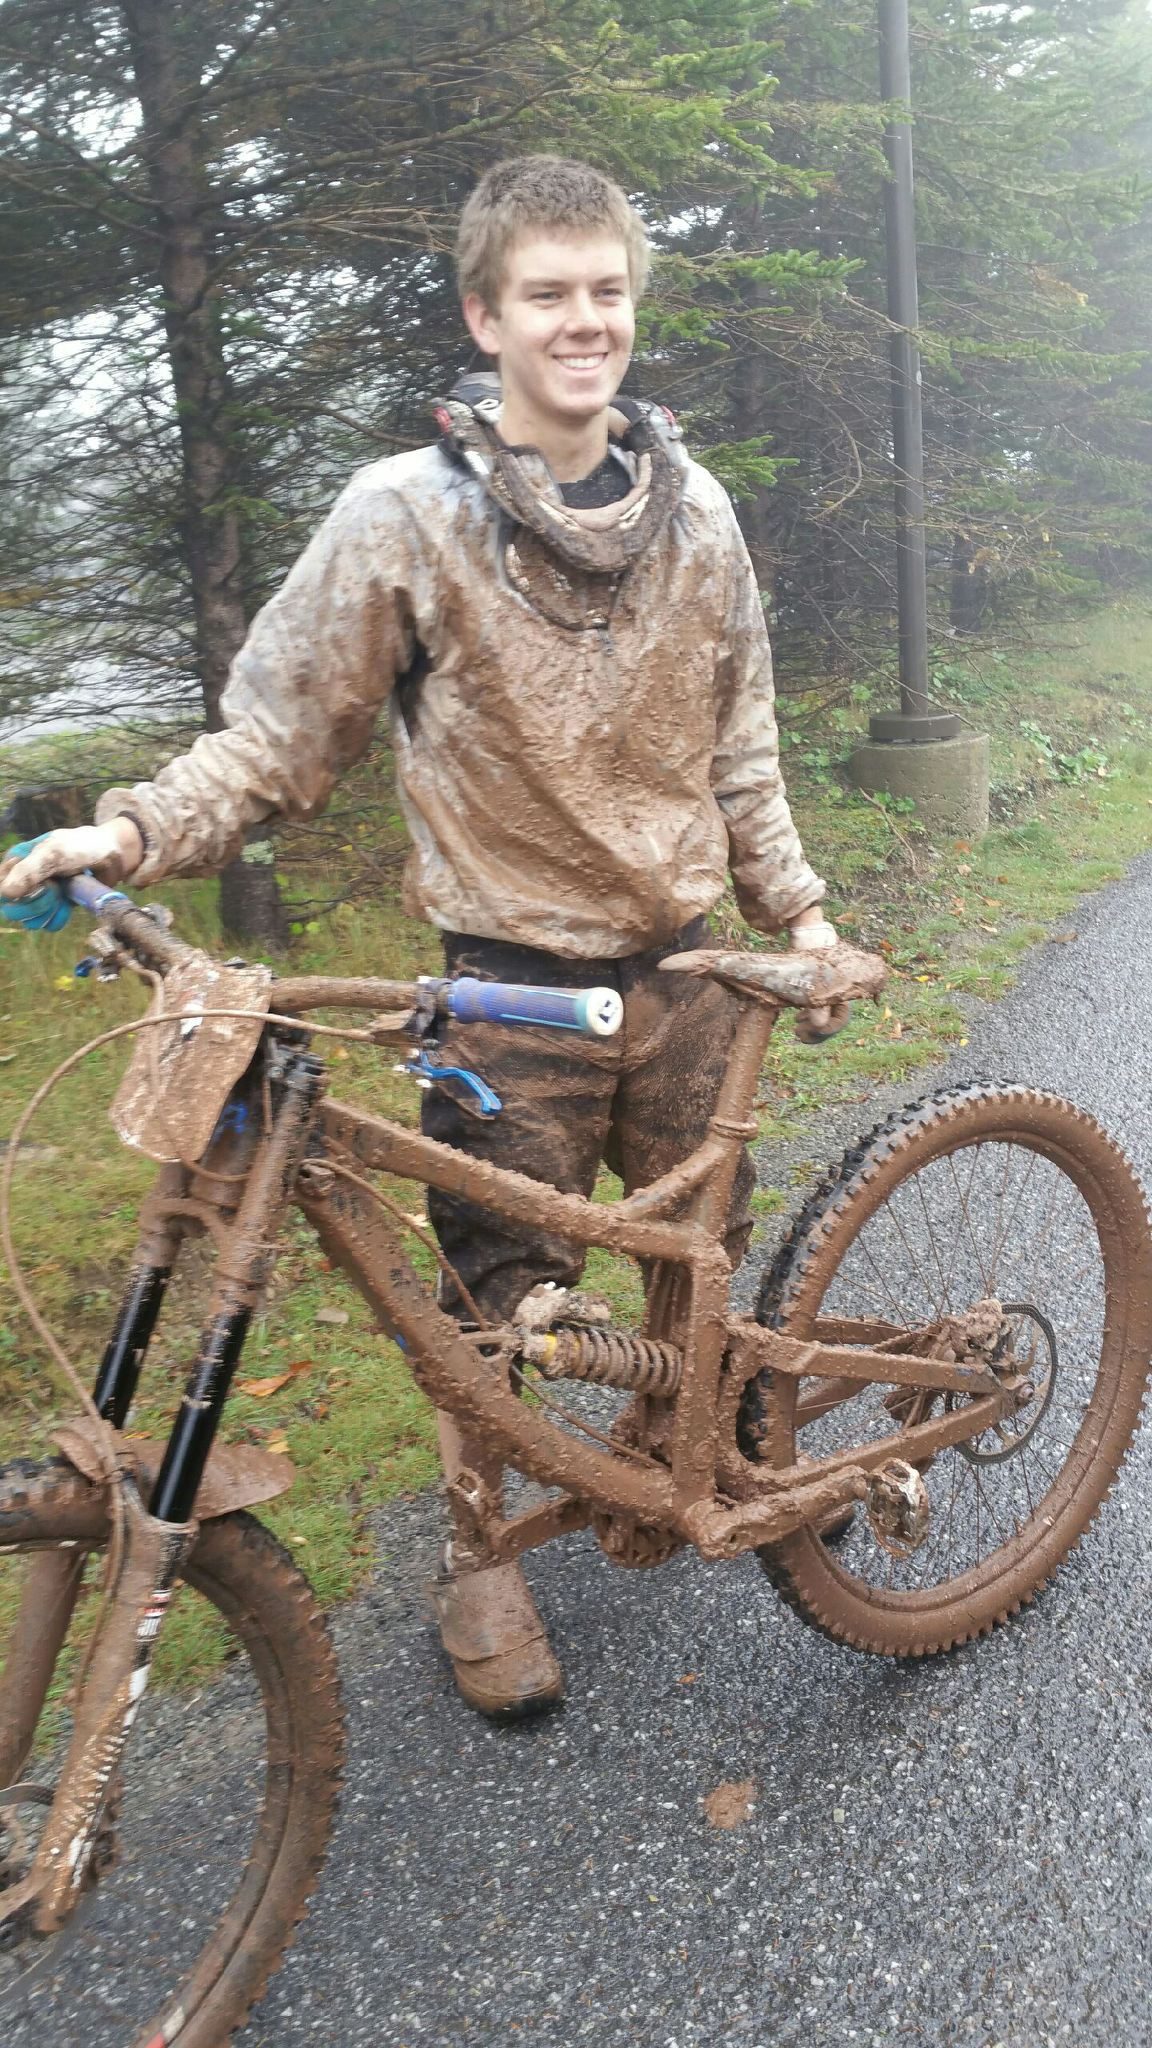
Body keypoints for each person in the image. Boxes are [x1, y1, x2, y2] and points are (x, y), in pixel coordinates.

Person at [0, 154, 846, 1720]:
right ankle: (481, 1561)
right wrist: (129, 836)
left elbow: (745, 742)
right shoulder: (408, 516)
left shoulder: (699, 509)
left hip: (689, 964)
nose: (582, 322)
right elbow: (275, 737)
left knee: (697, 1262)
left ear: (629, 305)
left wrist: (794, 909)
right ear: (486, 313)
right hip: (505, 986)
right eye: (548, 296)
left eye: (605, 292)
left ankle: (722, 1458)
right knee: (491, 1317)